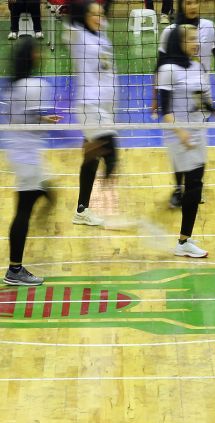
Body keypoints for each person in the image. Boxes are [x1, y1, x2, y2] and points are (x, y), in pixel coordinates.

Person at [157, 0, 215, 208]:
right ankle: (179, 188)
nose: (196, 43)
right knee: (180, 153)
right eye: (188, 2)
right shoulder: (171, 36)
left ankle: (193, 187)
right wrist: (155, 98)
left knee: (197, 156)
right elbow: (160, 69)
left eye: (196, 1)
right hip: (177, 111)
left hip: (198, 100)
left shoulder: (197, 65)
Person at [3, 38, 61, 286]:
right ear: (31, 57)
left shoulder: (13, 86)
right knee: (23, 212)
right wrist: (54, 126)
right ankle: (14, 270)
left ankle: (44, 201)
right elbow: (35, 118)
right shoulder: (36, 86)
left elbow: (25, 116)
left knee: (44, 190)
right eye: (37, 51)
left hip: (20, 153)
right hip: (27, 157)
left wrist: (44, 119)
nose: (41, 55)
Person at [157, 24, 212, 258]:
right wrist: (180, 132)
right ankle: (183, 241)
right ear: (179, 43)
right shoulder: (168, 69)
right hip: (179, 135)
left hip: (197, 133)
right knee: (194, 186)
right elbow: (165, 109)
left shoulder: (198, 68)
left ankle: (185, 239)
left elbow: (204, 103)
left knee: (196, 186)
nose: (196, 43)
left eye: (196, 39)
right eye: (191, 39)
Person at [67, 0, 118, 228]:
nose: (99, 18)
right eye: (94, 15)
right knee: (111, 155)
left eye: (101, 14)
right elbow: (72, 16)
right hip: (90, 106)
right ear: (84, 16)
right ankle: (107, 201)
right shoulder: (78, 36)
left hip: (104, 108)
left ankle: (81, 210)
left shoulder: (101, 35)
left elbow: (106, 7)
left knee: (91, 158)